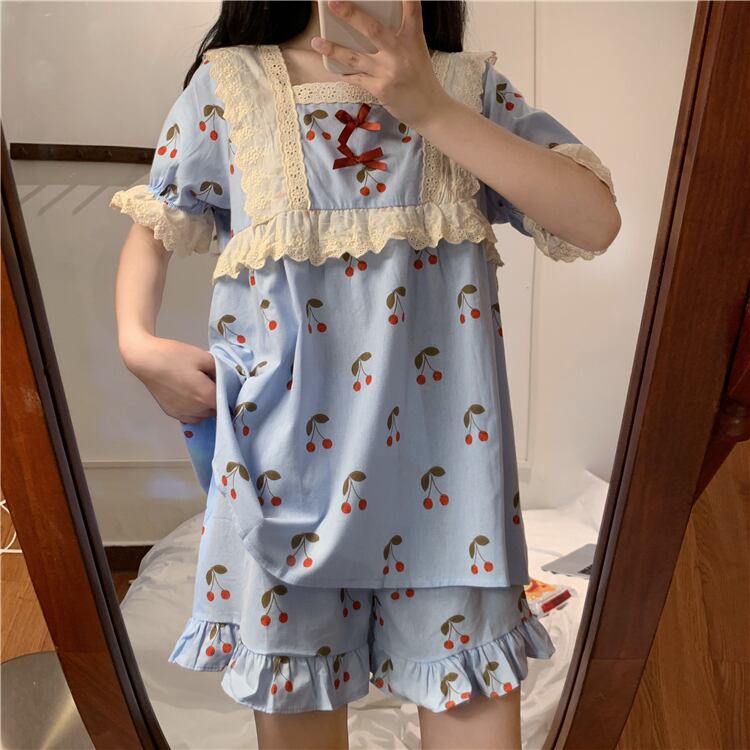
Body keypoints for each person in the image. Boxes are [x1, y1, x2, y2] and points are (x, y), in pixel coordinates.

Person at [111, 1, 620, 747]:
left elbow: (595, 221)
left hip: (449, 490)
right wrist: (137, 345)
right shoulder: (231, 85)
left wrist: (430, 108)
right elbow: (156, 222)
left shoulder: (465, 89)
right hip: (281, 480)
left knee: (474, 708)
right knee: (298, 710)